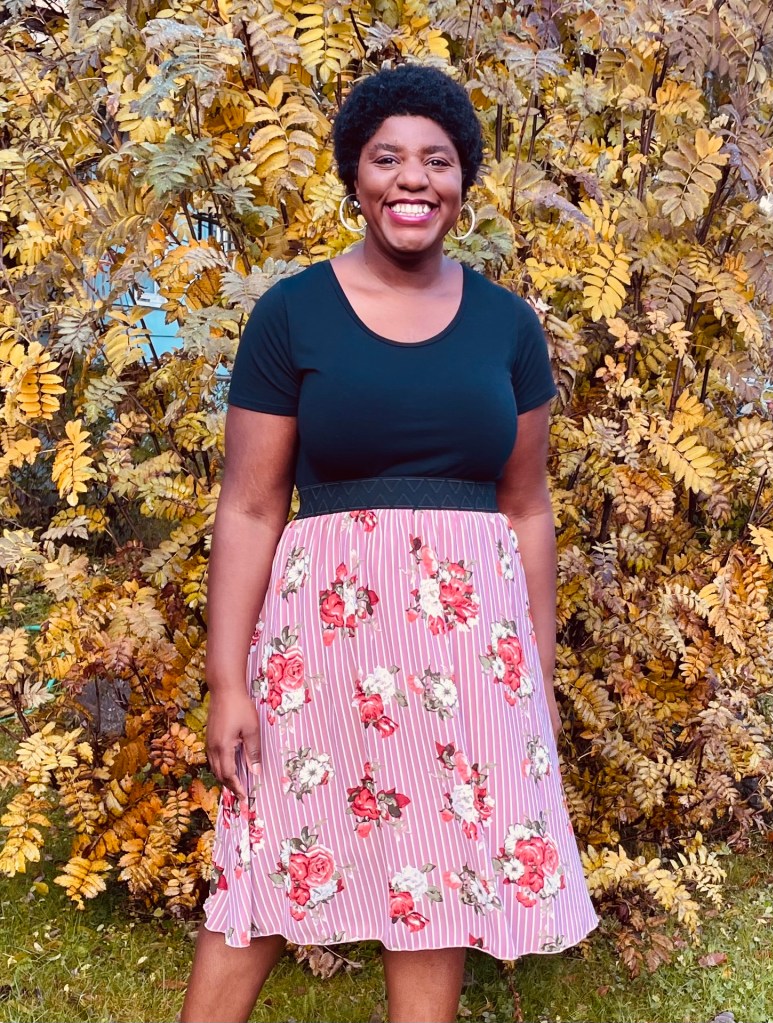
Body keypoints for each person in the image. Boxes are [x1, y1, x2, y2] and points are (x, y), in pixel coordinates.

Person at [180, 63, 598, 1023]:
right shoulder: (292, 314)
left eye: (437, 160)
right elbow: (250, 507)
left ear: (462, 180)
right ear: (356, 175)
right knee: (267, 852)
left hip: (468, 654)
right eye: (388, 158)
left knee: (440, 874)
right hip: (322, 648)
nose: (414, 179)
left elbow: (526, 507)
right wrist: (228, 680)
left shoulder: (507, 326)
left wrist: (533, 670)